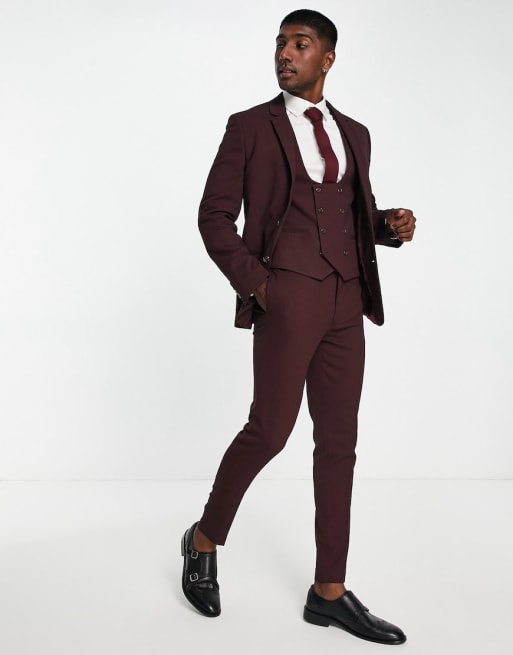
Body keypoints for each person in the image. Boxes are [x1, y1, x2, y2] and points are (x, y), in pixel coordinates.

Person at [181, 8, 416, 645]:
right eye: (281, 43)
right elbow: (213, 217)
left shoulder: (355, 133)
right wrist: (259, 285)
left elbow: (353, 217)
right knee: (270, 430)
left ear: (327, 59)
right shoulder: (249, 127)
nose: (285, 53)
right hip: (287, 297)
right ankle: (203, 539)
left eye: (301, 44)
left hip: (346, 301)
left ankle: (328, 592)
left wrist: (387, 226)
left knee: (339, 443)